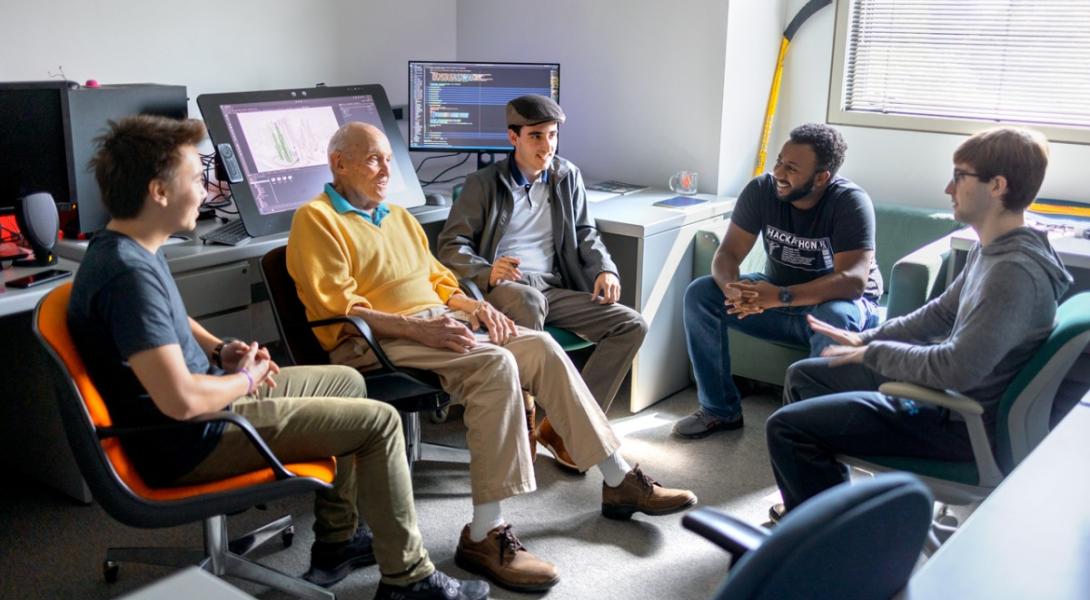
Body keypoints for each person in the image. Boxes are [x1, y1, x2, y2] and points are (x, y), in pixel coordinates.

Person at [68, 115, 487, 600]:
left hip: (205, 407)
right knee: (380, 423)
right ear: (158, 192)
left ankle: (339, 539)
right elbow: (182, 402)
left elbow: (174, 320)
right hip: (193, 437)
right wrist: (245, 380)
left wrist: (218, 349)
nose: (206, 192)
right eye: (195, 180)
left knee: (348, 381)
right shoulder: (128, 276)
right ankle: (408, 581)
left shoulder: (127, 246)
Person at [286, 121, 696, 593]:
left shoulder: (398, 216)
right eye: (374, 159)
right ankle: (484, 533)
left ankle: (617, 476)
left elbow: (440, 281)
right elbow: (340, 307)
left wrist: (475, 306)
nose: (386, 170)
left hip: (436, 321)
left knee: (539, 345)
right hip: (375, 341)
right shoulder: (316, 220)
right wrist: (424, 326)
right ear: (339, 164)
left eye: (387, 160)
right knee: (495, 365)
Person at [766, 126, 1071, 518]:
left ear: (997, 186)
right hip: (942, 401)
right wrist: (864, 339)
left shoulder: (1013, 272)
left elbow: (955, 367)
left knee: (786, 429)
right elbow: (941, 312)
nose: (948, 187)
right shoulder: (993, 248)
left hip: (954, 423)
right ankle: (827, 509)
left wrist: (874, 353)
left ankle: (829, 539)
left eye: (960, 176)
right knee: (806, 375)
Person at [437, 95, 647, 470]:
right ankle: (524, 416)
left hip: (553, 285)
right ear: (513, 138)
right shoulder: (483, 183)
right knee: (530, 303)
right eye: (536, 136)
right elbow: (451, 244)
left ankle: (563, 429)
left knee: (630, 324)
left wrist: (606, 268)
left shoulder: (568, 176)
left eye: (552, 135)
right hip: (507, 286)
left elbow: (586, 233)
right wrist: (487, 271)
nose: (547, 146)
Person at [674, 123, 883, 438]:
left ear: (822, 177)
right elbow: (727, 253)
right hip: (779, 299)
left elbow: (852, 281)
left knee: (835, 313)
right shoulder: (761, 190)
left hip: (844, 307)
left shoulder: (850, 202)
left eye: (792, 168)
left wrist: (779, 296)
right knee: (702, 294)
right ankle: (720, 410)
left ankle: (811, 429)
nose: (779, 173)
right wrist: (733, 288)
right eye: (779, 161)